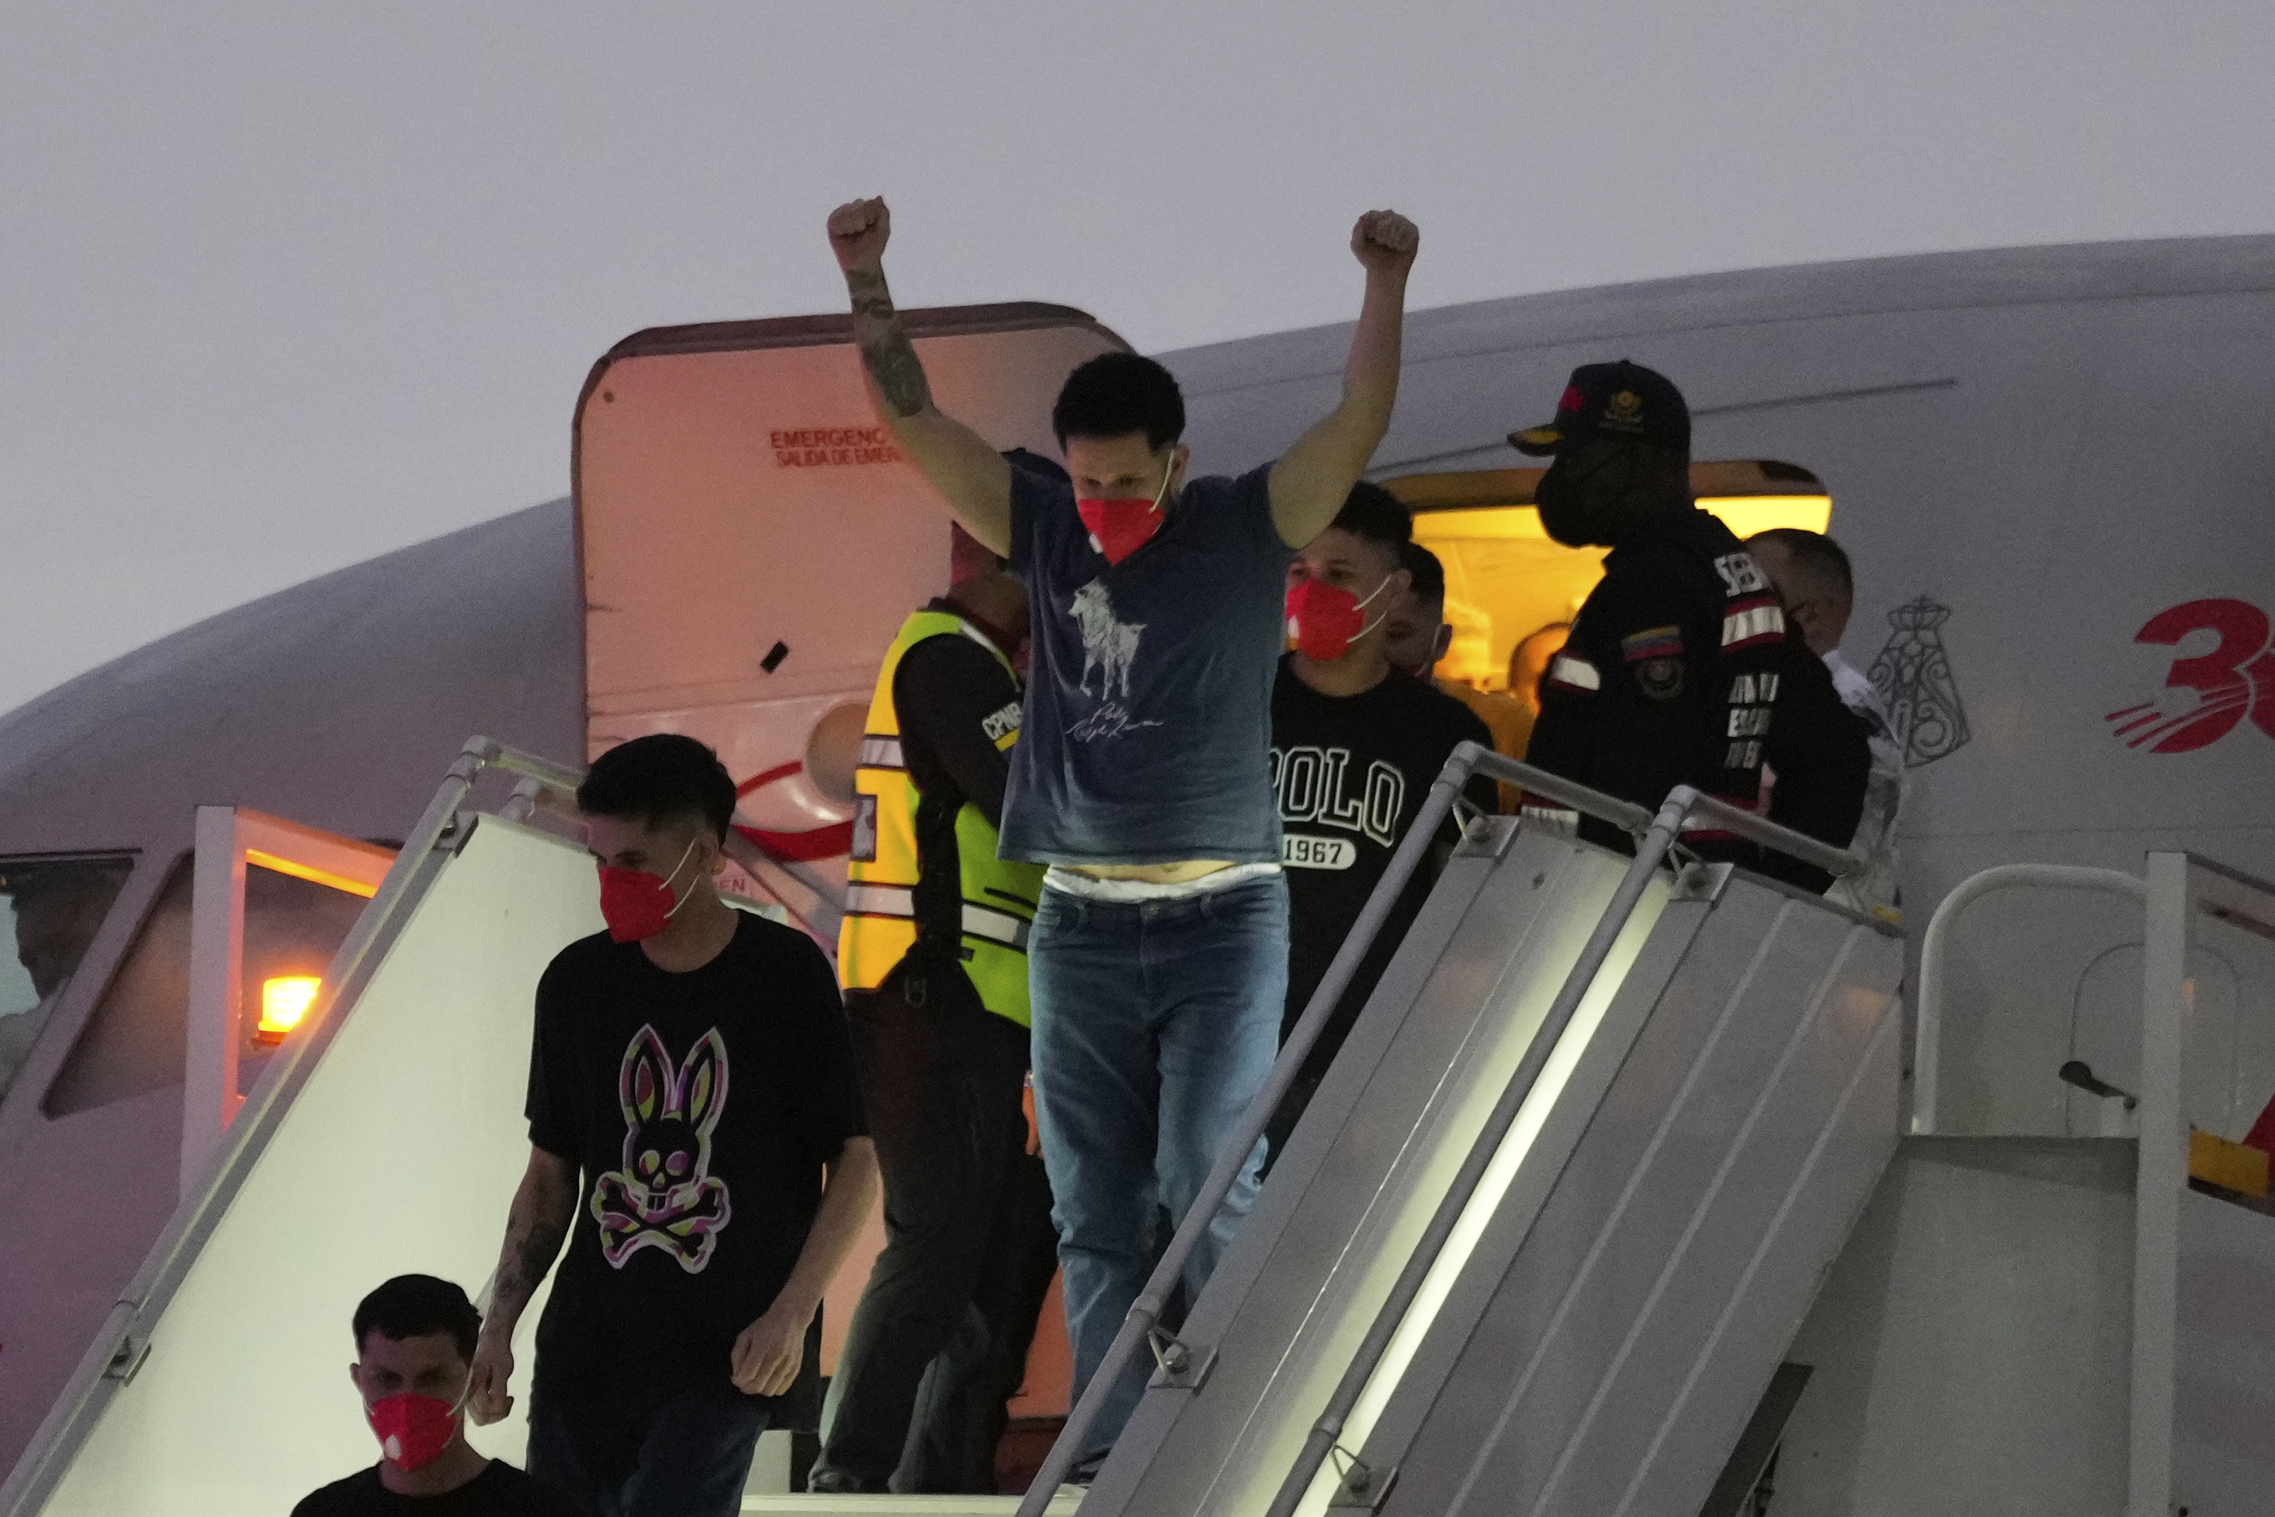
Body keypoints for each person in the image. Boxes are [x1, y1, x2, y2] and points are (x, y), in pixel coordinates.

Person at [824, 194, 1419, 1472]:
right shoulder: (1042, 526)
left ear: (1178, 463)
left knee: (1209, 1168)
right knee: (1092, 1202)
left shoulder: (1240, 527)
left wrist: (1384, 283)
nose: (1104, 506)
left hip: (1221, 911)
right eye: (1087, 482)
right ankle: (1107, 1442)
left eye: (1129, 483)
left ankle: (1234, 1405)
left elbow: (1355, 422)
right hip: (1084, 918)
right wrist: (868, 280)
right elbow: (916, 421)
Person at [466, 734, 879, 1517]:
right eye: (601, 862)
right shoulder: (576, 983)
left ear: (702, 854)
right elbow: (549, 1175)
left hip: (727, 1345)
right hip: (588, 1345)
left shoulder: (784, 975)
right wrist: (498, 1326)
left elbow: (853, 1161)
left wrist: (793, 1311)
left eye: (633, 861)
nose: (613, 883)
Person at [810, 567, 1059, 1494]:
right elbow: (1030, 804)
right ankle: (853, 1473)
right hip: (933, 992)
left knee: (989, 1263)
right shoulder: (950, 660)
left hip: (975, 1002)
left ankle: (936, 1479)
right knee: (938, 1245)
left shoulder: (973, 663)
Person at [1510, 361, 1867, 890]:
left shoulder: (1655, 589)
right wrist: (1769, 887)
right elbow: (1833, 752)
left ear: (1637, 463)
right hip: (1669, 898)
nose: (1560, 480)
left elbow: (1639, 774)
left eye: (1576, 457)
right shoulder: (1723, 570)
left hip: (1615, 900)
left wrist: (1769, 886)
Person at [1267, 484, 1497, 1161]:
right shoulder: (1233, 706)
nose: (1313, 592)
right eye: (1298, 573)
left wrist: (1417, 1065)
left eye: (1338, 575)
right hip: (1227, 1050)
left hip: (1360, 1058)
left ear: (1395, 591)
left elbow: (1467, 916)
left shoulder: (1446, 737)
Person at [292, 1274, 577, 1515]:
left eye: (432, 1378)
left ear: (473, 1380)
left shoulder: (541, 1509)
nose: (408, 1399)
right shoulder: (322, 1511)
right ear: (359, 1380)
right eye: (386, 1379)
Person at [1746, 527, 1904, 917]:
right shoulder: (1771, 691)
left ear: (1811, 614)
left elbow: (1842, 850)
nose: (1734, 606)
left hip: (1812, 921)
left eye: (1754, 594)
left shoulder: (1843, 704)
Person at [1382, 542, 1529, 811]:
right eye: (1362, 633)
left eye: (1394, 635)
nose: (1371, 650)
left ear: (1441, 643)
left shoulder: (1496, 725)